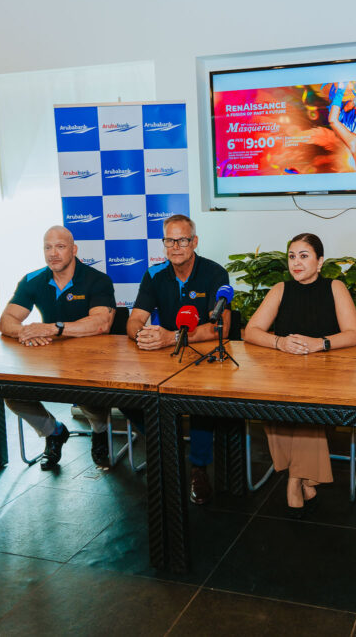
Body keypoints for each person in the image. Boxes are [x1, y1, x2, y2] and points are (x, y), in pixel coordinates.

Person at [242, 233, 356, 517]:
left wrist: (320, 343)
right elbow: (251, 331)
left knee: (307, 412)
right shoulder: (280, 289)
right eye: (292, 256)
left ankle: (295, 479)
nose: (296, 262)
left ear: (320, 262)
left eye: (304, 256)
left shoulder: (335, 287)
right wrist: (279, 343)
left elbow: (355, 334)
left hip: (326, 373)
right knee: (272, 406)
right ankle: (306, 476)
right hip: (285, 372)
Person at [126, 214, 231, 504]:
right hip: (164, 356)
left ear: (194, 242)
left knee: (201, 396)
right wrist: (142, 335)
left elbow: (220, 328)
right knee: (126, 394)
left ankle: (199, 467)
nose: (175, 247)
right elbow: (134, 320)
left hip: (202, 357)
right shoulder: (154, 274)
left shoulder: (214, 273)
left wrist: (172, 337)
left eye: (182, 240)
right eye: (169, 241)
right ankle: (165, 444)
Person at [0, 226, 115, 470]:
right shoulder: (32, 280)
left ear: (74, 250)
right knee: (12, 394)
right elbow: (6, 320)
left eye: (60, 247)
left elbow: (101, 323)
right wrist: (25, 331)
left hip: (89, 362)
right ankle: (54, 432)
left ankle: (100, 431)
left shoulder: (97, 280)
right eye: (48, 247)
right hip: (49, 360)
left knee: (89, 396)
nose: (53, 253)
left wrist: (53, 328)